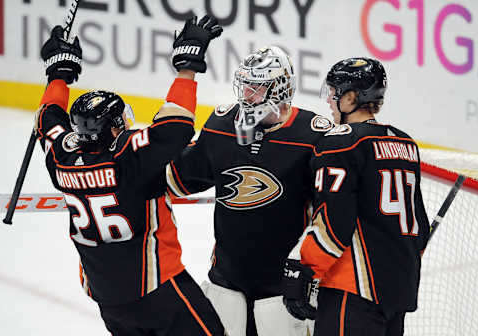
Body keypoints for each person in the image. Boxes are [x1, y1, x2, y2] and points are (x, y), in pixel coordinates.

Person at [35, 16, 225, 335]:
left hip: (107, 298)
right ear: (113, 129)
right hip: (157, 289)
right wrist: (187, 67)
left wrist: (58, 74)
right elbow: (175, 128)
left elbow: (47, 119)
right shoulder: (130, 158)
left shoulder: (61, 156)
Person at [166, 46, 333, 336]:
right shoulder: (221, 126)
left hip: (285, 285)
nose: (247, 95)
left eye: (257, 87)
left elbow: (334, 213)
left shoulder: (315, 136)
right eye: (245, 86)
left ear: (280, 89)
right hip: (227, 279)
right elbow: (176, 179)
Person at [282, 57, 430, 336]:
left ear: (351, 98)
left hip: (352, 292)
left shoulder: (339, 143)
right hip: (399, 290)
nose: (329, 101)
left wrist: (304, 269)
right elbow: (419, 227)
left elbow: (333, 224)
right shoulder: (405, 143)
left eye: (334, 94)